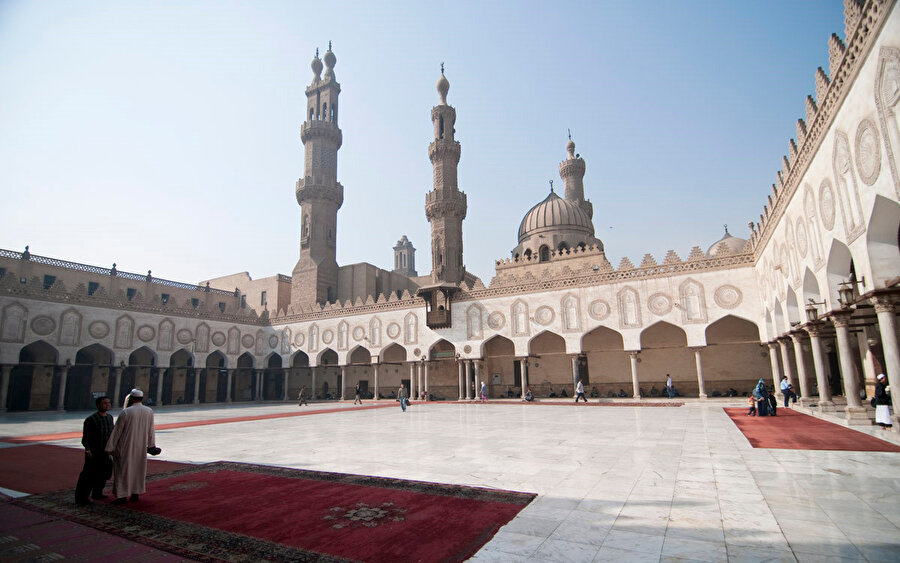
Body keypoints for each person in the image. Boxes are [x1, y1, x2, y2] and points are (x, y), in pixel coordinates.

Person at [105, 389, 156, 504]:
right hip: (141, 446)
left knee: (122, 470)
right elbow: (151, 430)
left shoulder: (126, 412)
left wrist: (110, 447)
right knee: (138, 469)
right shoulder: (149, 411)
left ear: (132, 399)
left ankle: (122, 496)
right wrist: (151, 445)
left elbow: (117, 431)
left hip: (125, 446)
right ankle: (135, 492)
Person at [75, 396, 114, 505]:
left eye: (108, 403)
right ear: (98, 405)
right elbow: (86, 437)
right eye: (104, 403)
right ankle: (81, 498)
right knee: (89, 475)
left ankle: (97, 493)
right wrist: (88, 450)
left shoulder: (109, 418)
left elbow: (112, 434)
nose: (107, 405)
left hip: (106, 452)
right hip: (94, 452)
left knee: (104, 474)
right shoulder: (91, 419)